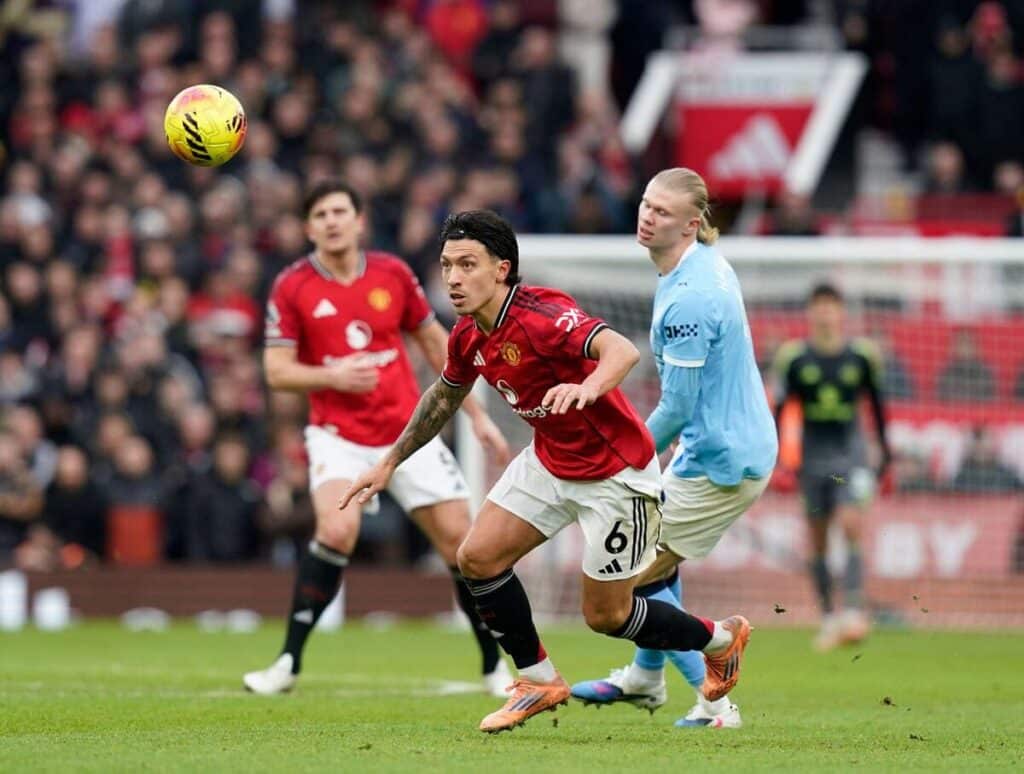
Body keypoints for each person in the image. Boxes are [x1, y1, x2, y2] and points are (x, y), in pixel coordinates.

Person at [341, 208, 753, 734]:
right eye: (447, 265)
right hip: (551, 459)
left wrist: (588, 386)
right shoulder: (468, 336)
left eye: (468, 264)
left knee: (607, 616)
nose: (453, 278)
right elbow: (444, 396)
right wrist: (389, 462)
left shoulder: (541, 314)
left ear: (502, 269)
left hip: (616, 474)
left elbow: (620, 350)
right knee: (478, 557)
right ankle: (537, 681)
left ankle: (720, 638)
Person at [242, 181, 513, 697]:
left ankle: (492, 666)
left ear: (359, 220)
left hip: (408, 435)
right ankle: (287, 663)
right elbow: (276, 371)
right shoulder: (292, 285)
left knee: (464, 548)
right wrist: (333, 376)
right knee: (337, 532)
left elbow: (439, 346)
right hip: (337, 436)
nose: (331, 220)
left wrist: (476, 415)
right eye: (320, 213)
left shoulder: (392, 274)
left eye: (340, 210)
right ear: (308, 227)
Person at [570, 168, 778, 729]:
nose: (646, 215)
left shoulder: (691, 298)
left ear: (692, 224)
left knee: (622, 587)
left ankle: (716, 703)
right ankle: (644, 677)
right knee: (649, 561)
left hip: (723, 462)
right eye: (645, 203)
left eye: (661, 211)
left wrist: (623, 457)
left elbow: (679, 407)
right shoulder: (699, 266)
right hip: (712, 448)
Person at [772, 283, 891, 651]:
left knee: (852, 523)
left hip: (849, 456)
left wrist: (885, 453)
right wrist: (777, 456)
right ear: (810, 313)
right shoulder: (793, 358)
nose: (825, 313)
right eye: (819, 307)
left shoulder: (863, 356)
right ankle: (828, 618)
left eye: (832, 306)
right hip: (812, 460)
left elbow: (878, 406)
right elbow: (779, 410)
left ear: (842, 313)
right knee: (818, 540)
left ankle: (854, 610)